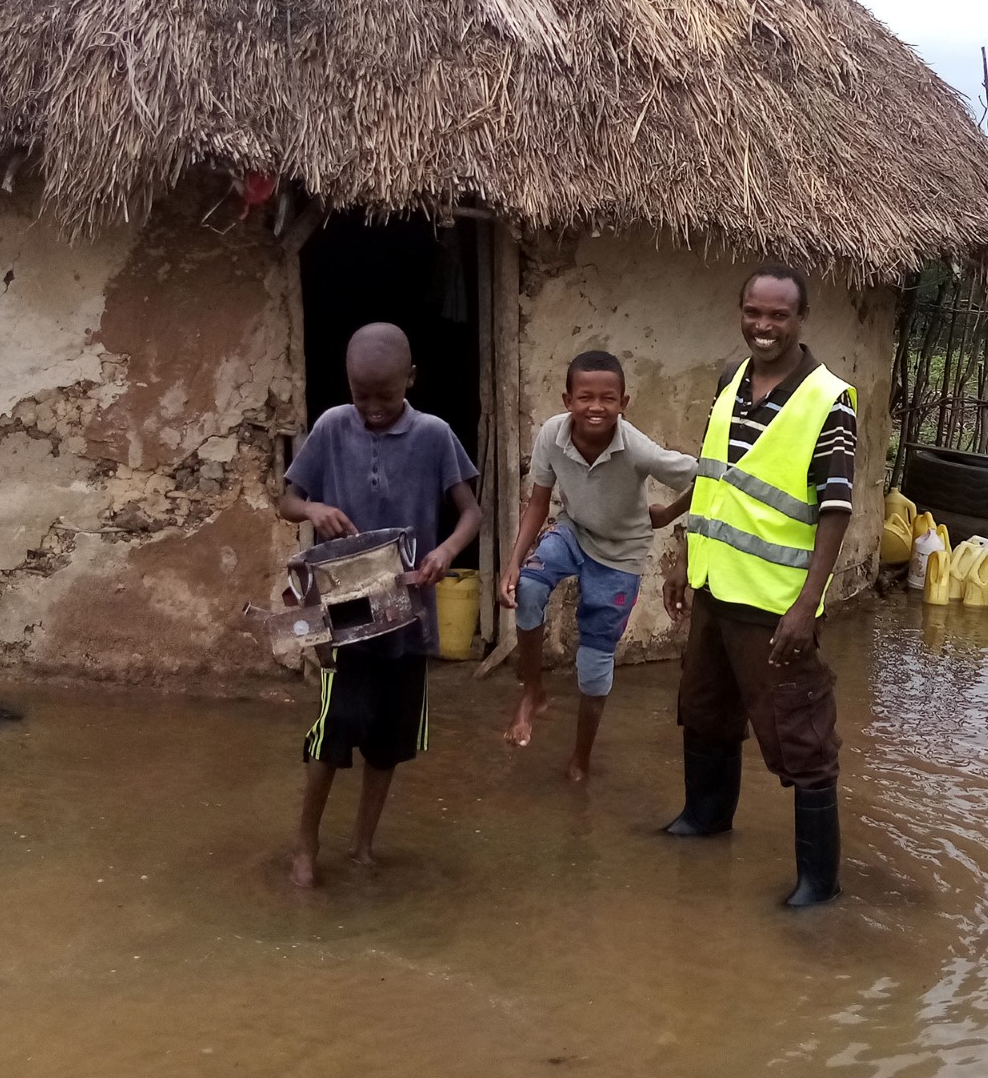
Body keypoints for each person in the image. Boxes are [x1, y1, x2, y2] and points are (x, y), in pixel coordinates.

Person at [659, 263, 856, 907]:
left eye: (777, 315)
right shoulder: (731, 378)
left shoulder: (830, 400)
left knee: (800, 735)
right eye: (753, 312)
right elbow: (723, 473)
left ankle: (817, 883)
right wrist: (677, 534)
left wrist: (807, 605)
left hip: (775, 604)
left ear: (801, 320)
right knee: (705, 709)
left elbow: (835, 509)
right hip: (715, 586)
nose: (762, 326)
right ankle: (706, 816)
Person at [276, 323, 481, 889]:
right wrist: (312, 511)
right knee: (334, 727)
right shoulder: (331, 427)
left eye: (384, 397)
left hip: (408, 614)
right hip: (341, 616)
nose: (369, 409)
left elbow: (472, 513)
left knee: (388, 742)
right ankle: (306, 843)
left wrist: (444, 551)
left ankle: (363, 845)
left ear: (410, 380)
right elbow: (286, 499)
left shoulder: (436, 436)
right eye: (359, 395)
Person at [500, 351, 696, 781]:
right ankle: (532, 691)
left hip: (621, 553)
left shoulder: (639, 449)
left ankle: (581, 759)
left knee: (593, 664)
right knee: (529, 589)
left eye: (608, 398)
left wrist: (667, 514)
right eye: (585, 396)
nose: (595, 406)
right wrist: (513, 563)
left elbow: (706, 479)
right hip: (574, 531)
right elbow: (538, 503)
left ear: (624, 403)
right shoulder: (553, 434)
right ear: (567, 399)